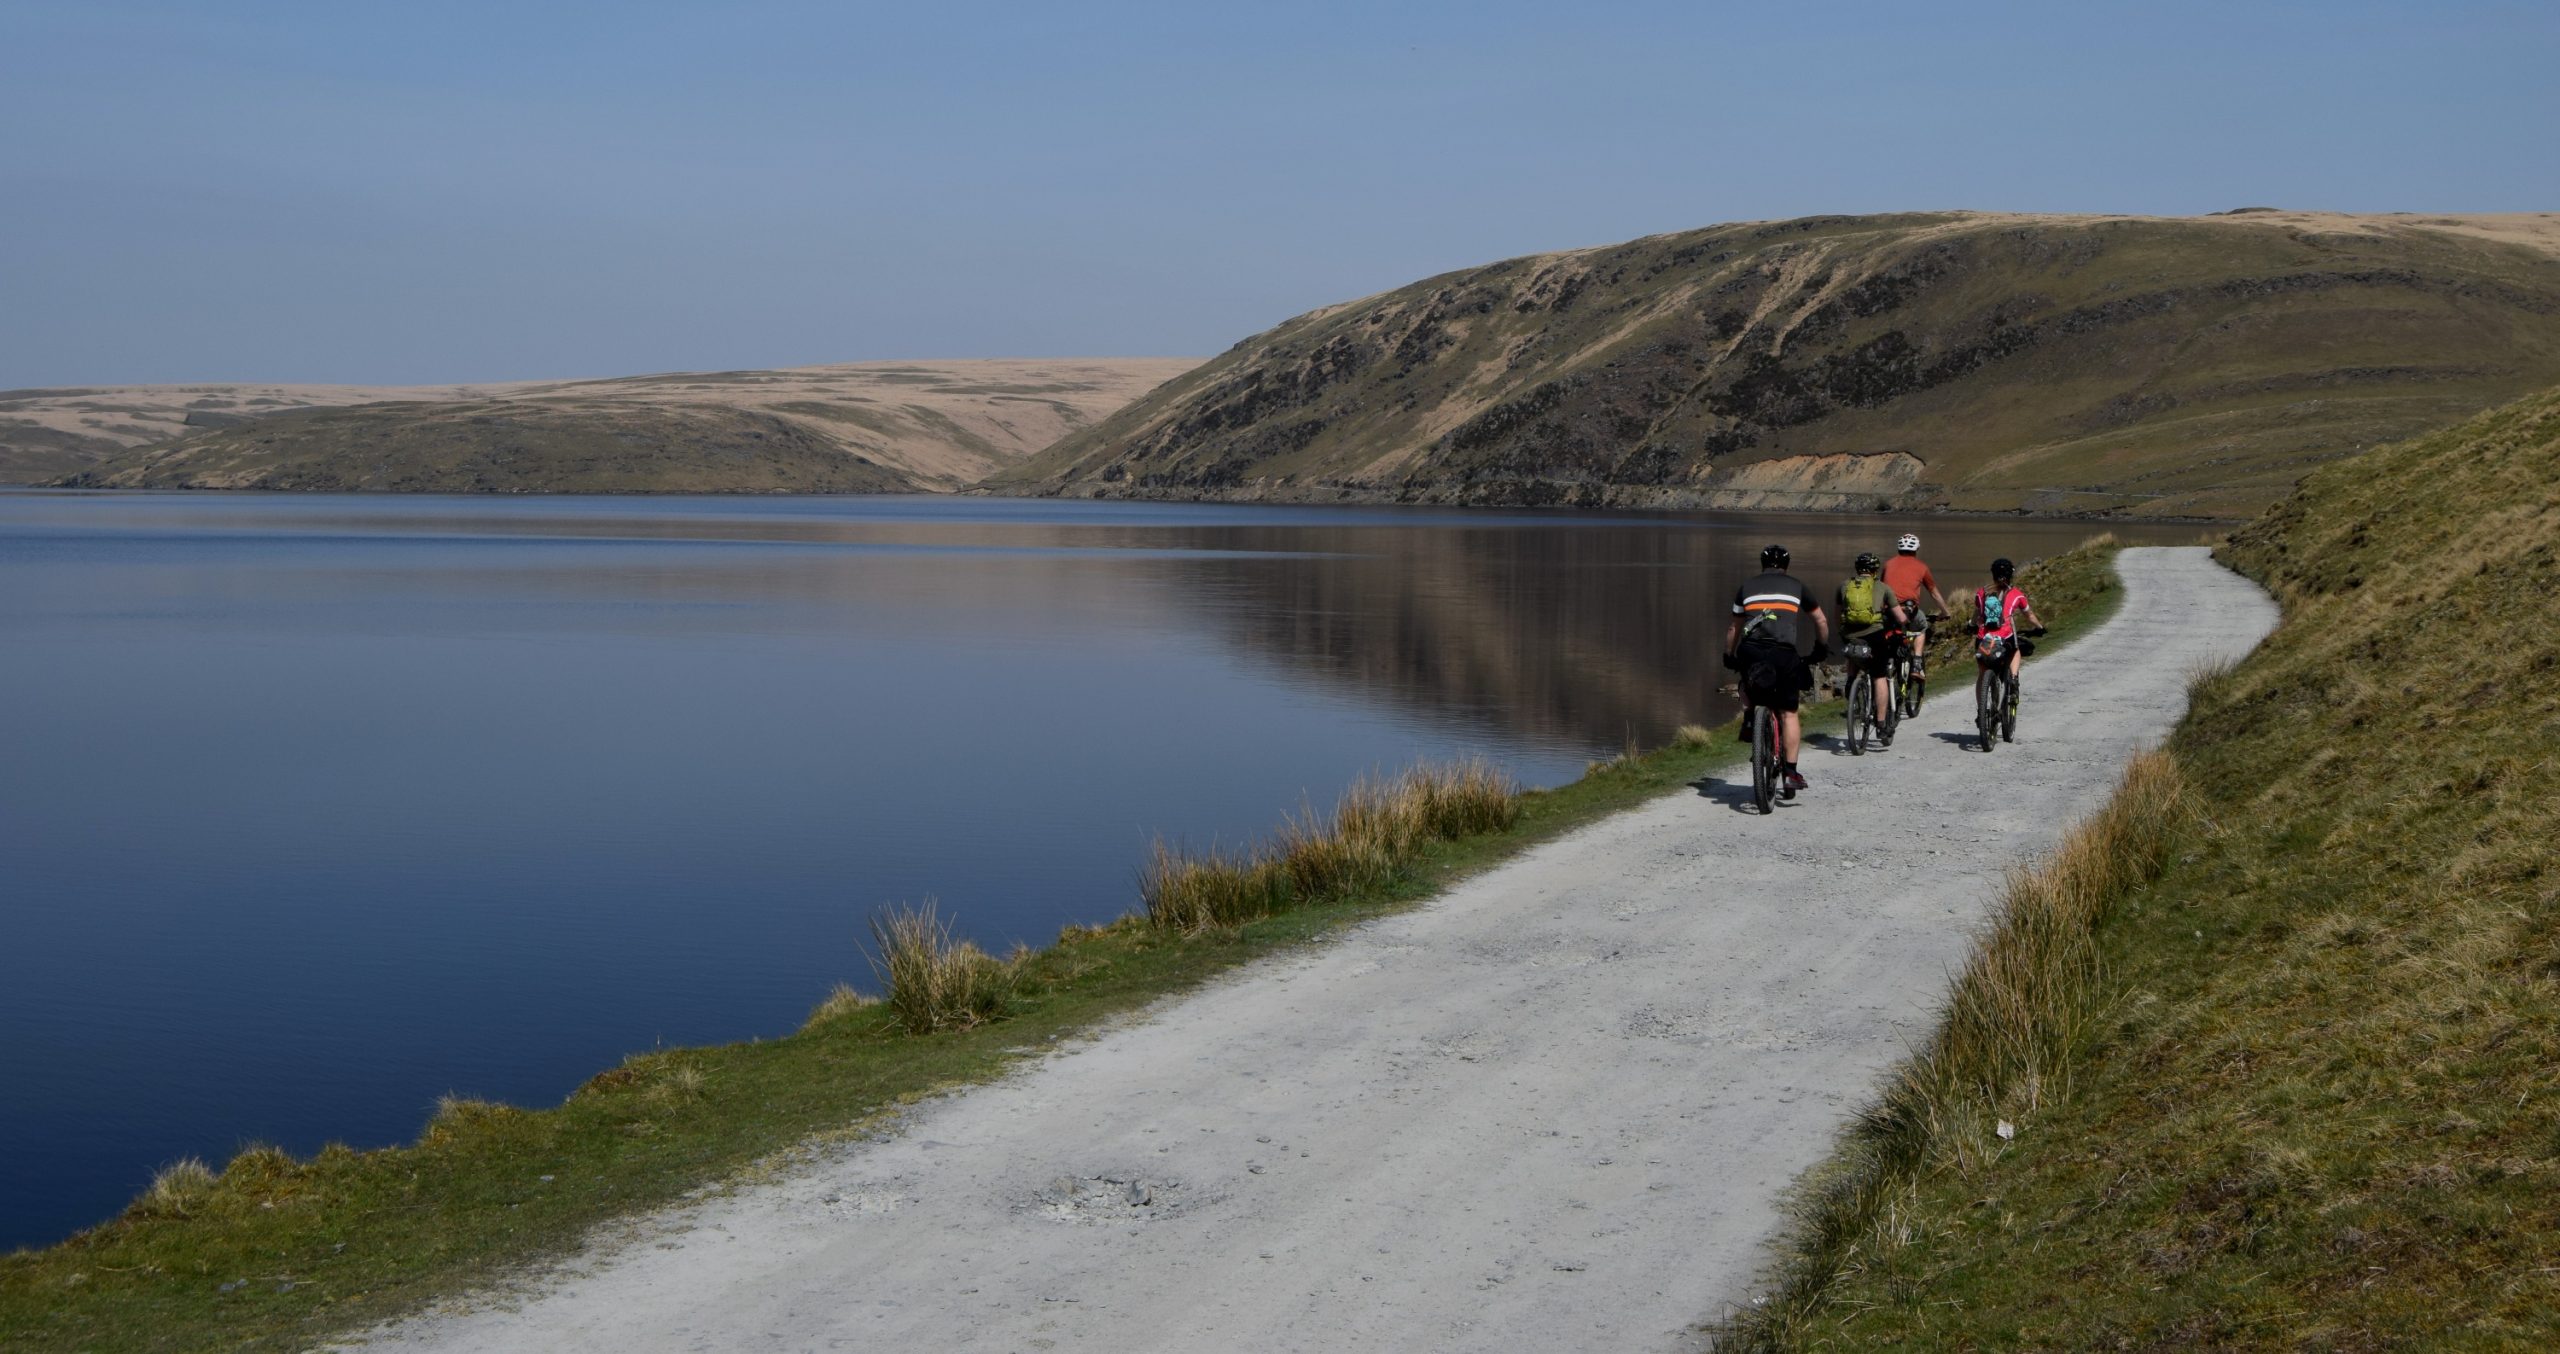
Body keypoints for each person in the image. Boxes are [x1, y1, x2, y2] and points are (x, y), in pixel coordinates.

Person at [1724, 543, 1829, 797]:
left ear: (1762, 565)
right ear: (1786, 566)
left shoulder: (1746, 587)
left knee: (1745, 681)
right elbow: (1820, 620)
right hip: (1783, 654)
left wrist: (1728, 654)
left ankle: (1750, 717)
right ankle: (1791, 773)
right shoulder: (1798, 586)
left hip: (1752, 651)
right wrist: (1821, 648)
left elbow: (1734, 628)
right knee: (1789, 713)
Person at [1835, 551, 1908, 746]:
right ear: (1875, 570)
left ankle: (1851, 682)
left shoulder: (1844, 586)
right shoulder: (1883, 588)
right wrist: (1905, 624)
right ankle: (1882, 723)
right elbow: (1900, 617)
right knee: (1879, 676)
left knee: (1853, 654)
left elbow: (1837, 616)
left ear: (1857, 569)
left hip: (1851, 635)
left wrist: (1844, 633)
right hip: (1875, 635)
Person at [1971, 556, 2046, 721]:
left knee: (1982, 675)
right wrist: (2040, 628)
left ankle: (1981, 712)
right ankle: (2012, 678)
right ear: (2011, 575)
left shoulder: (1981, 593)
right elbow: (2029, 615)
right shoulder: (2017, 594)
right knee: (2016, 649)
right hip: (2005, 637)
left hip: (1984, 638)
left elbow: (1976, 616)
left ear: (1993, 575)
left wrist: (1971, 625)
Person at [1880, 533, 1950, 694]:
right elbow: (1934, 593)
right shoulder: (1921, 567)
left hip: (1888, 611)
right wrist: (1945, 612)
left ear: (1899, 548)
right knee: (1921, 627)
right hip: (1908, 611)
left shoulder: (1888, 564)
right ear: (1916, 549)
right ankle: (1917, 663)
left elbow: (1882, 588)